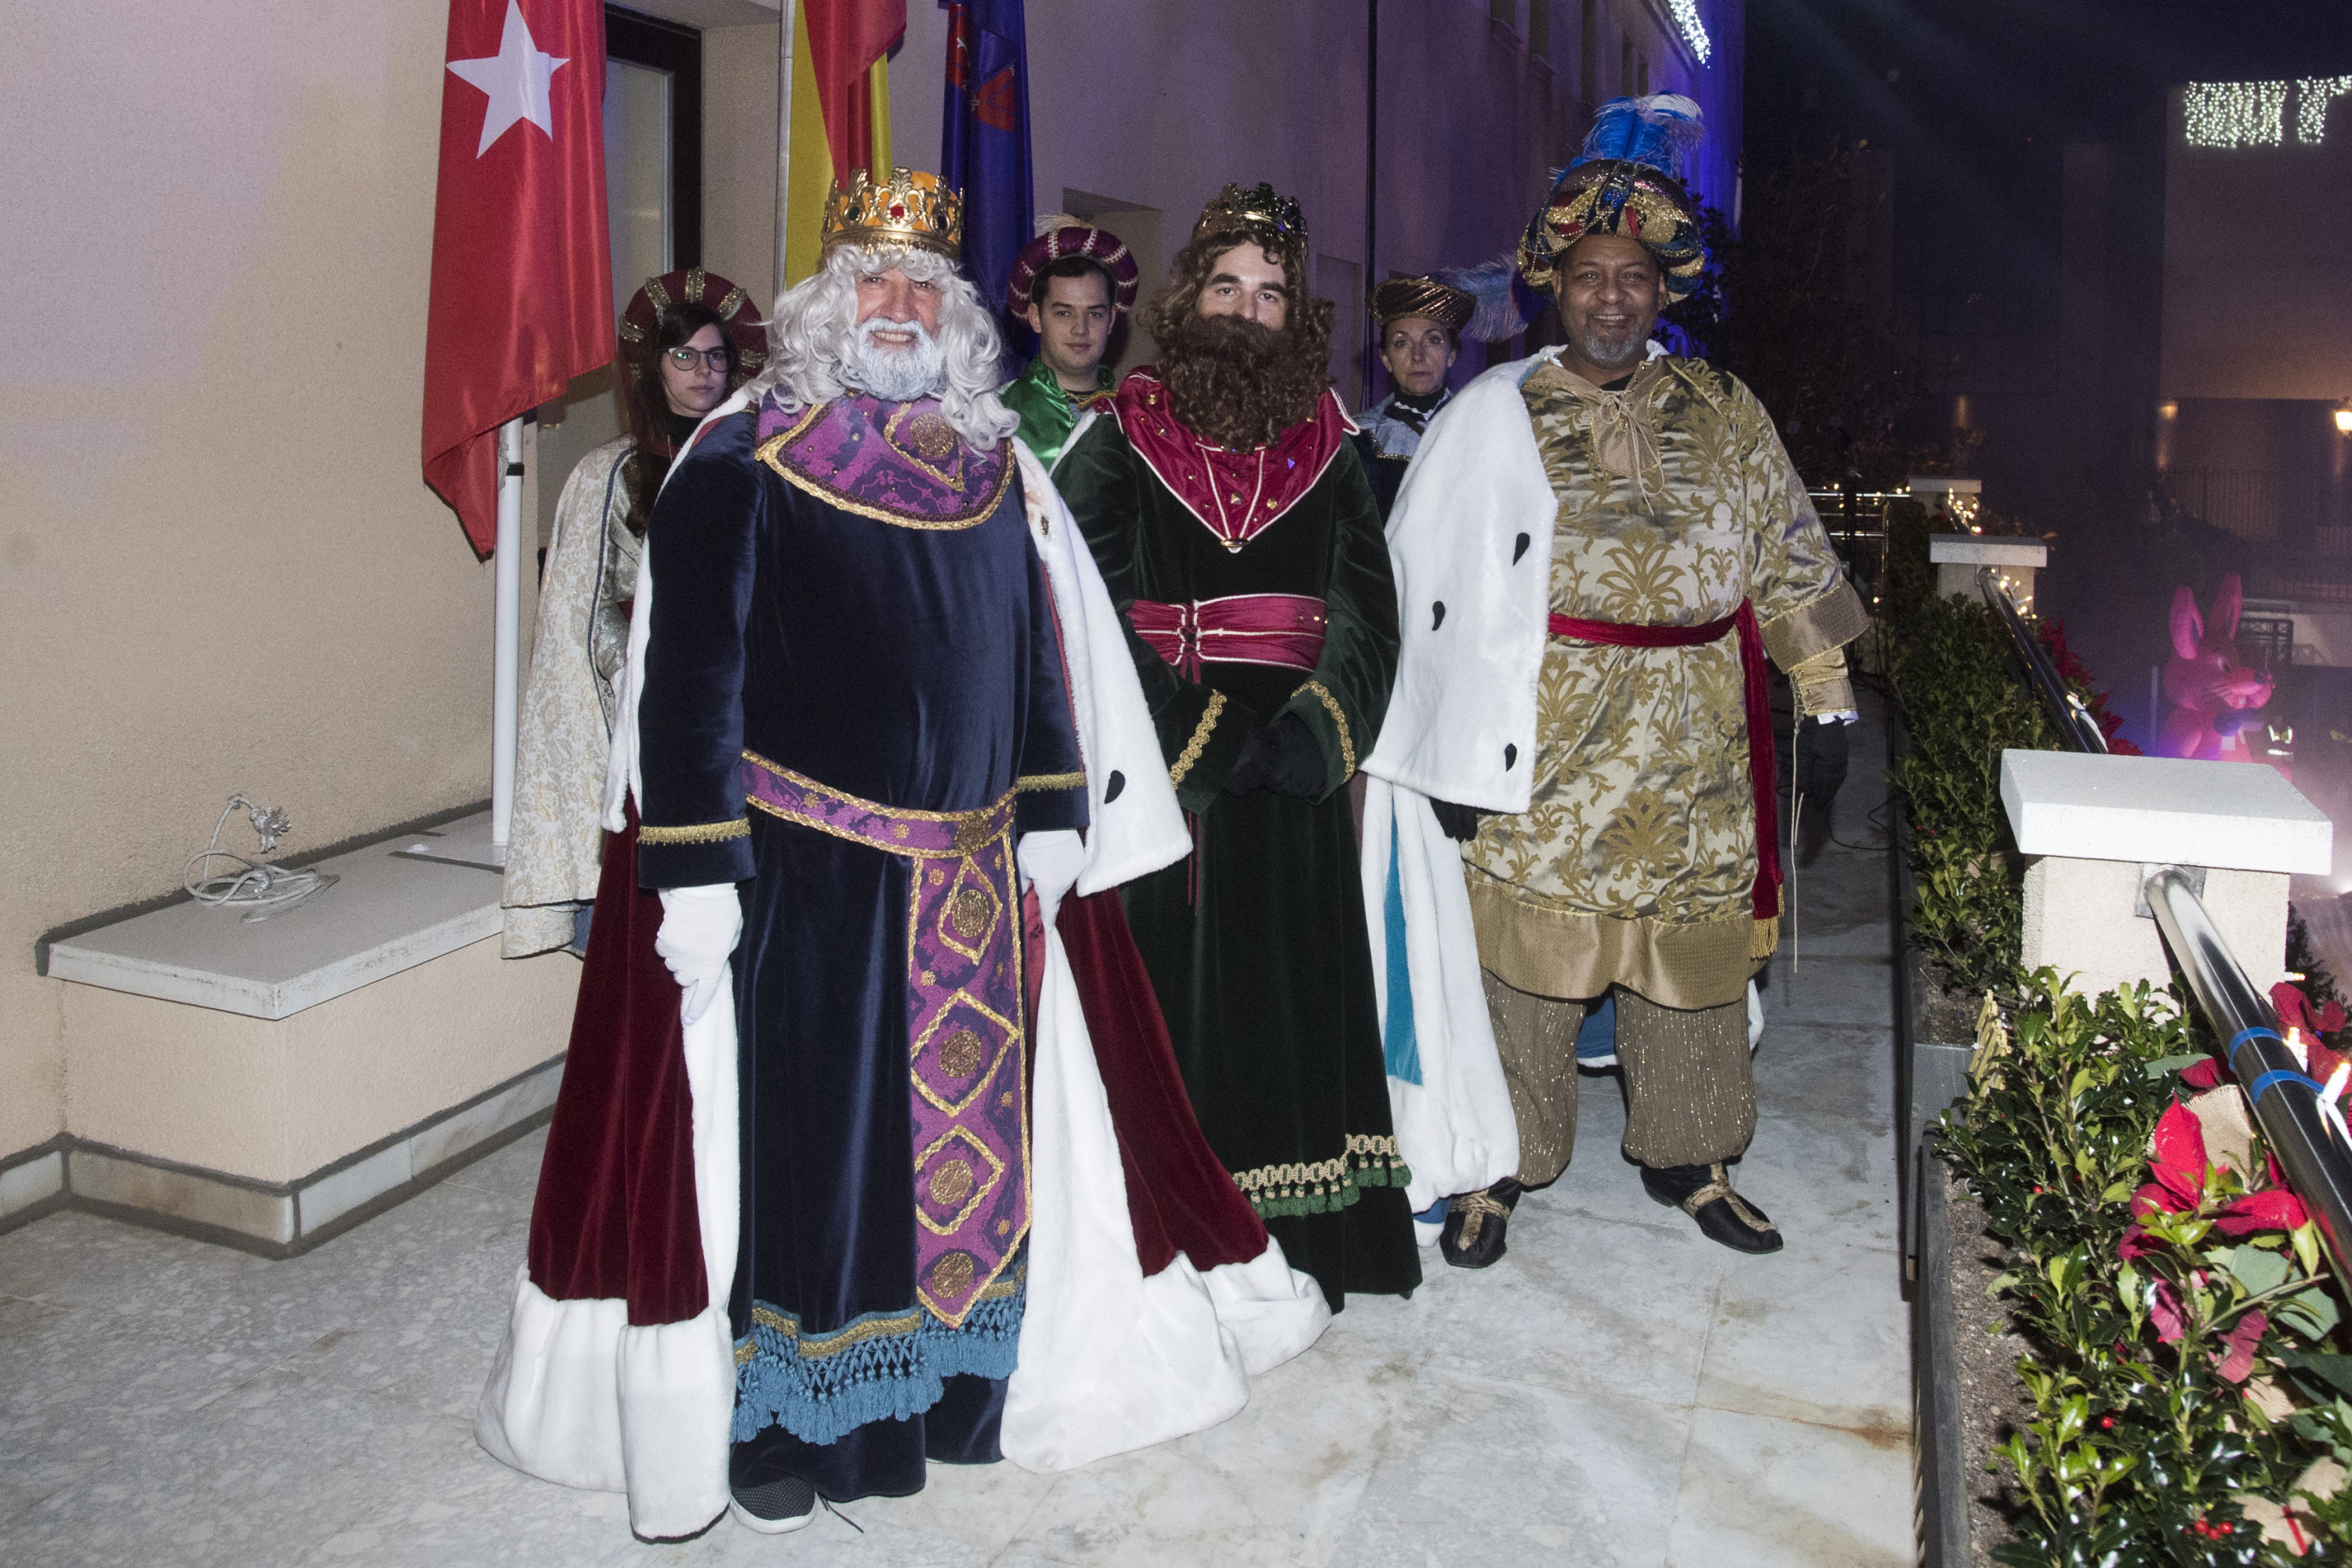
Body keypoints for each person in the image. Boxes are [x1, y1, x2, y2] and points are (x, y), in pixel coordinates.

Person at [475, 169, 1327, 1544]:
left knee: (979, 1159)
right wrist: (692, 867)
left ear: (954, 318)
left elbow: (1040, 658)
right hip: (810, 887)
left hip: (979, 889)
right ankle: (790, 1423)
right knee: (816, 1163)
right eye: (870, 279)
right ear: (824, 303)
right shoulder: (741, 456)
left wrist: (1055, 816)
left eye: (921, 287)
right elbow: (688, 676)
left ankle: (953, 1397)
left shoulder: (995, 466)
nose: (895, 306)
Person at [1366, 96, 1867, 1263]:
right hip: (1541, 740)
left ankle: (1691, 1159)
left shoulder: (1726, 410)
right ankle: (1500, 1164)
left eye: (1631, 275)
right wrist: (1436, 741)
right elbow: (1424, 585)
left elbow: (1785, 557)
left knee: (1686, 961)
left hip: (1695, 739)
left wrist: (1826, 695)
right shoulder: (1494, 412)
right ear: (1557, 285)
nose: (1609, 295)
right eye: (1589, 274)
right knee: (1524, 972)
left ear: (1661, 290)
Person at [1057, 182, 1421, 1312]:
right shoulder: (1116, 437)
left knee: (1292, 1001)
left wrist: (1314, 740)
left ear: (1295, 315)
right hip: (1165, 776)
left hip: (1296, 779)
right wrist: (1202, 738)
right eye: (1227, 285)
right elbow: (1081, 601)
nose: (1248, 311)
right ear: (1189, 294)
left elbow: (1370, 610)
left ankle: (1302, 1238)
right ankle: (1178, 1227)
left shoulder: (1335, 441)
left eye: (1271, 294)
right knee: (1173, 1006)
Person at [499, 270, 764, 956]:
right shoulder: (608, 474)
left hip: (756, 724)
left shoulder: (761, 464)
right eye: (684, 357)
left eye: (716, 357)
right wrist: (669, 676)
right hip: (653, 720)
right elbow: (584, 621)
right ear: (652, 368)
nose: (703, 373)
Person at [997, 215, 1138, 468]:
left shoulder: (1137, 422)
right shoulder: (997, 415)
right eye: (1064, 313)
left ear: (1111, 320)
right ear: (1036, 317)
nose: (1080, 329)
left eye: (1094, 314)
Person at [1351, 274, 1472, 517]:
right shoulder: (1360, 437)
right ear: (1386, 359)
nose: (1418, 356)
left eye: (1433, 341)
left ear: (1451, 354)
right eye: (1402, 343)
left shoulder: (1479, 426)